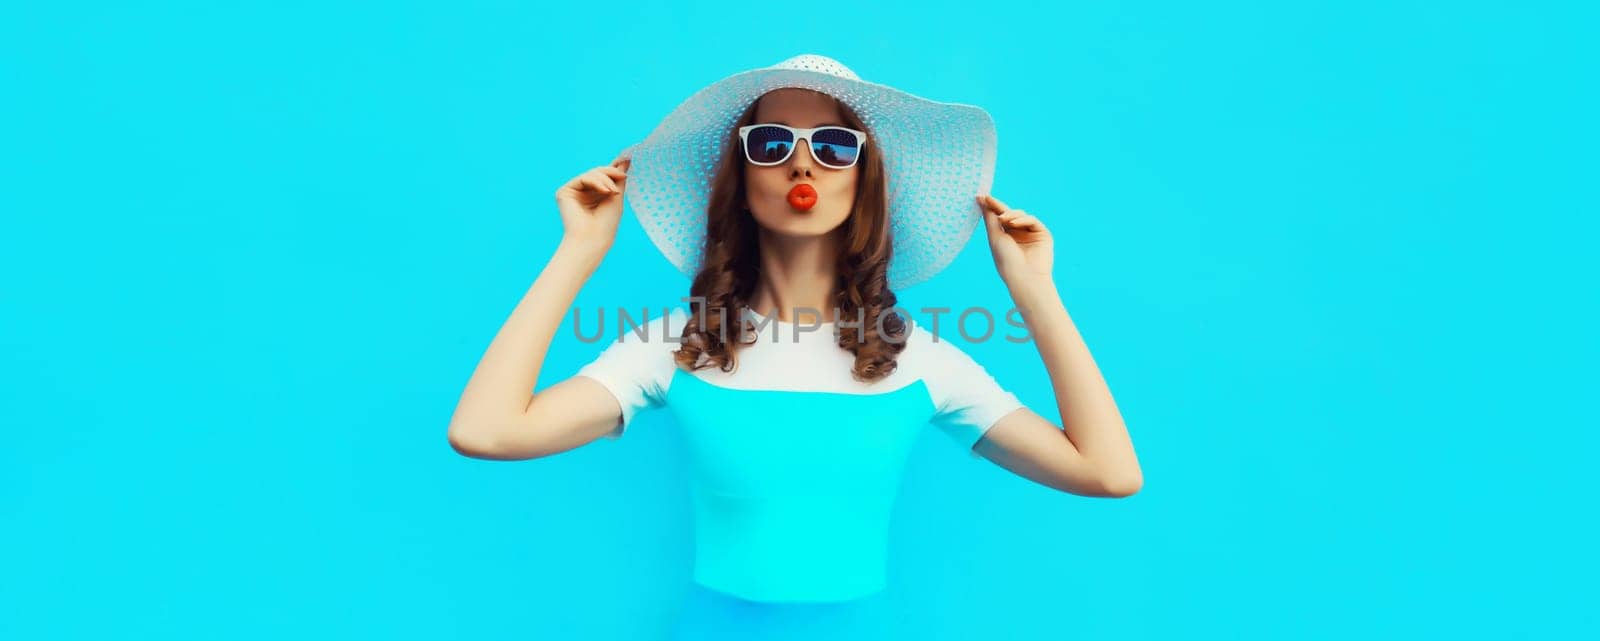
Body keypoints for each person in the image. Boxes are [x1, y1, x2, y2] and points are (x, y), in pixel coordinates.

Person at [447, 53, 1143, 640]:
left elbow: (1108, 472)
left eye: (835, 147)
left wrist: (1034, 290)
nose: (802, 165)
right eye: (772, 143)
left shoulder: (919, 360)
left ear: (861, 179)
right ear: (742, 181)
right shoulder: (674, 349)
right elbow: (485, 430)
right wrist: (578, 252)